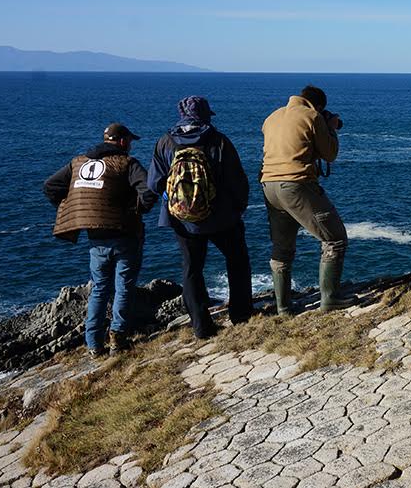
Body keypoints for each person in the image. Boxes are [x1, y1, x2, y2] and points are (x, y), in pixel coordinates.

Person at [43, 123, 157, 357]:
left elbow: (51, 186)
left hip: (96, 238)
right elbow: (148, 191)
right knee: (124, 287)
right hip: (125, 234)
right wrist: (139, 210)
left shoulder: (79, 162)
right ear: (123, 142)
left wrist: (70, 207)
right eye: (130, 141)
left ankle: (93, 343)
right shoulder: (127, 163)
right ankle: (118, 337)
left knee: (99, 289)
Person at [147, 96, 252, 338]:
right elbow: (237, 180)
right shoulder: (218, 140)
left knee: (192, 269)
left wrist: (175, 199)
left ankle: (201, 327)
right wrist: (239, 207)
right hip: (222, 216)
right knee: (237, 261)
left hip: (184, 220)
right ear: (205, 115)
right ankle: (241, 314)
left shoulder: (165, 142)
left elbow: (154, 183)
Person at [261, 85, 356, 315]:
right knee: (335, 239)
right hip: (296, 184)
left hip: (269, 186)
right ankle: (330, 299)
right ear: (319, 105)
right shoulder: (312, 116)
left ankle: (283, 307)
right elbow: (330, 153)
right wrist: (330, 128)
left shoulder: (271, 117)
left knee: (282, 248)